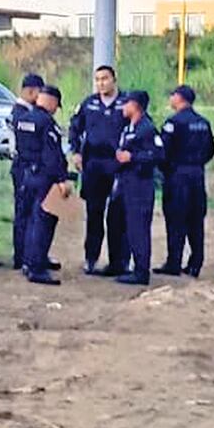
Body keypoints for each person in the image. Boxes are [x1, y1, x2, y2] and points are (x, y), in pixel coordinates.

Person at [69, 65, 129, 275]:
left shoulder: (126, 103)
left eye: (105, 78)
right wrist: (76, 152)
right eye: (98, 79)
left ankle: (118, 262)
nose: (101, 83)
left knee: (117, 216)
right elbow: (75, 128)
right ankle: (91, 258)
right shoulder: (89, 103)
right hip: (93, 165)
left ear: (114, 79)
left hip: (117, 166)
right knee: (94, 214)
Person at [156, 84, 214, 278]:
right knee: (196, 220)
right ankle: (195, 263)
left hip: (177, 176)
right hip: (197, 175)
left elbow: (162, 152)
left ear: (179, 98)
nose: (170, 99)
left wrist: (167, 170)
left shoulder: (173, 122)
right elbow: (210, 150)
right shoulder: (203, 122)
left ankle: (174, 262)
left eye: (172, 96)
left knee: (175, 220)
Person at [108, 91, 165, 286]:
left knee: (138, 228)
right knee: (123, 226)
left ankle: (141, 271)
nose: (123, 108)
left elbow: (158, 154)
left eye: (126, 104)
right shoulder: (128, 128)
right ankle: (121, 264)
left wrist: (132, 157)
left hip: (140, 185)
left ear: (135, 105)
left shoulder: (146, 128)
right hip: (125, 182)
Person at [22, 86, 71, 286]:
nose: (55, 110)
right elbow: (52, 154)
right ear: (51, 101)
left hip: (28, 174)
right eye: (56, 106)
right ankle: (37, 267)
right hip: (44, 177)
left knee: (32, 220)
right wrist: (61, 179)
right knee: (44, 222)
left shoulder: (25, 118)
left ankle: (28, 262)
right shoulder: (47, 123)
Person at [10, 73, 47, 270]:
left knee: (34, 213)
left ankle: (32, 254)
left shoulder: (27, 112)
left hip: (28, 167)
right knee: (24, 212)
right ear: (32, 91)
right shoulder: (20, 113)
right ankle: (22, 256)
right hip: (23, 167)